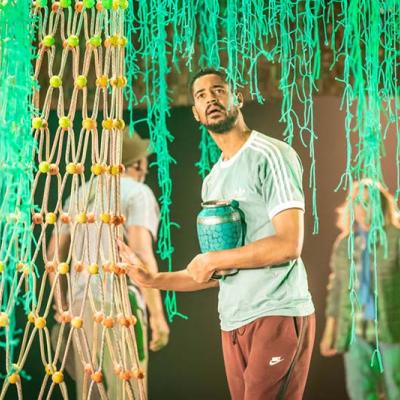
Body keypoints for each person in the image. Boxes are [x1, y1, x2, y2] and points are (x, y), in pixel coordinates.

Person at [118, 68, 315, 400]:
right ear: (195, 114)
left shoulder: (271, 155)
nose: (210, 97)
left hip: (277, 312)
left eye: (218, 90)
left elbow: (288, 245)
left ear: (237, 97)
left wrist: (212, 259)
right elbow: (216, 271)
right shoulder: (212, 181)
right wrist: (151, 280)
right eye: (200, 95)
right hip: (233, 322)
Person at [47, 130, 170, 399]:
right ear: (133, 164)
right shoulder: (137, 192)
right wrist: (158, 316)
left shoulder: (78, 195)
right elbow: (140, 254)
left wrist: (63, 303)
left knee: (89, 392)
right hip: (119, 306)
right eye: (143, 163)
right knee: (126, 390)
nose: (145, 170)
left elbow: (52, 256)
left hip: (81, 312)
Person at [320, 180, 400, 400]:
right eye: (358, 203)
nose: (364, 208)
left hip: (392, 330)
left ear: (381, 205)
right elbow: (336, 290)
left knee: (396, 389)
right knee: (361, 393)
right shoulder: (344, 243)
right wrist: (330, 332)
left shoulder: (395, 238)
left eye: (369, 202)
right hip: (356, 332)